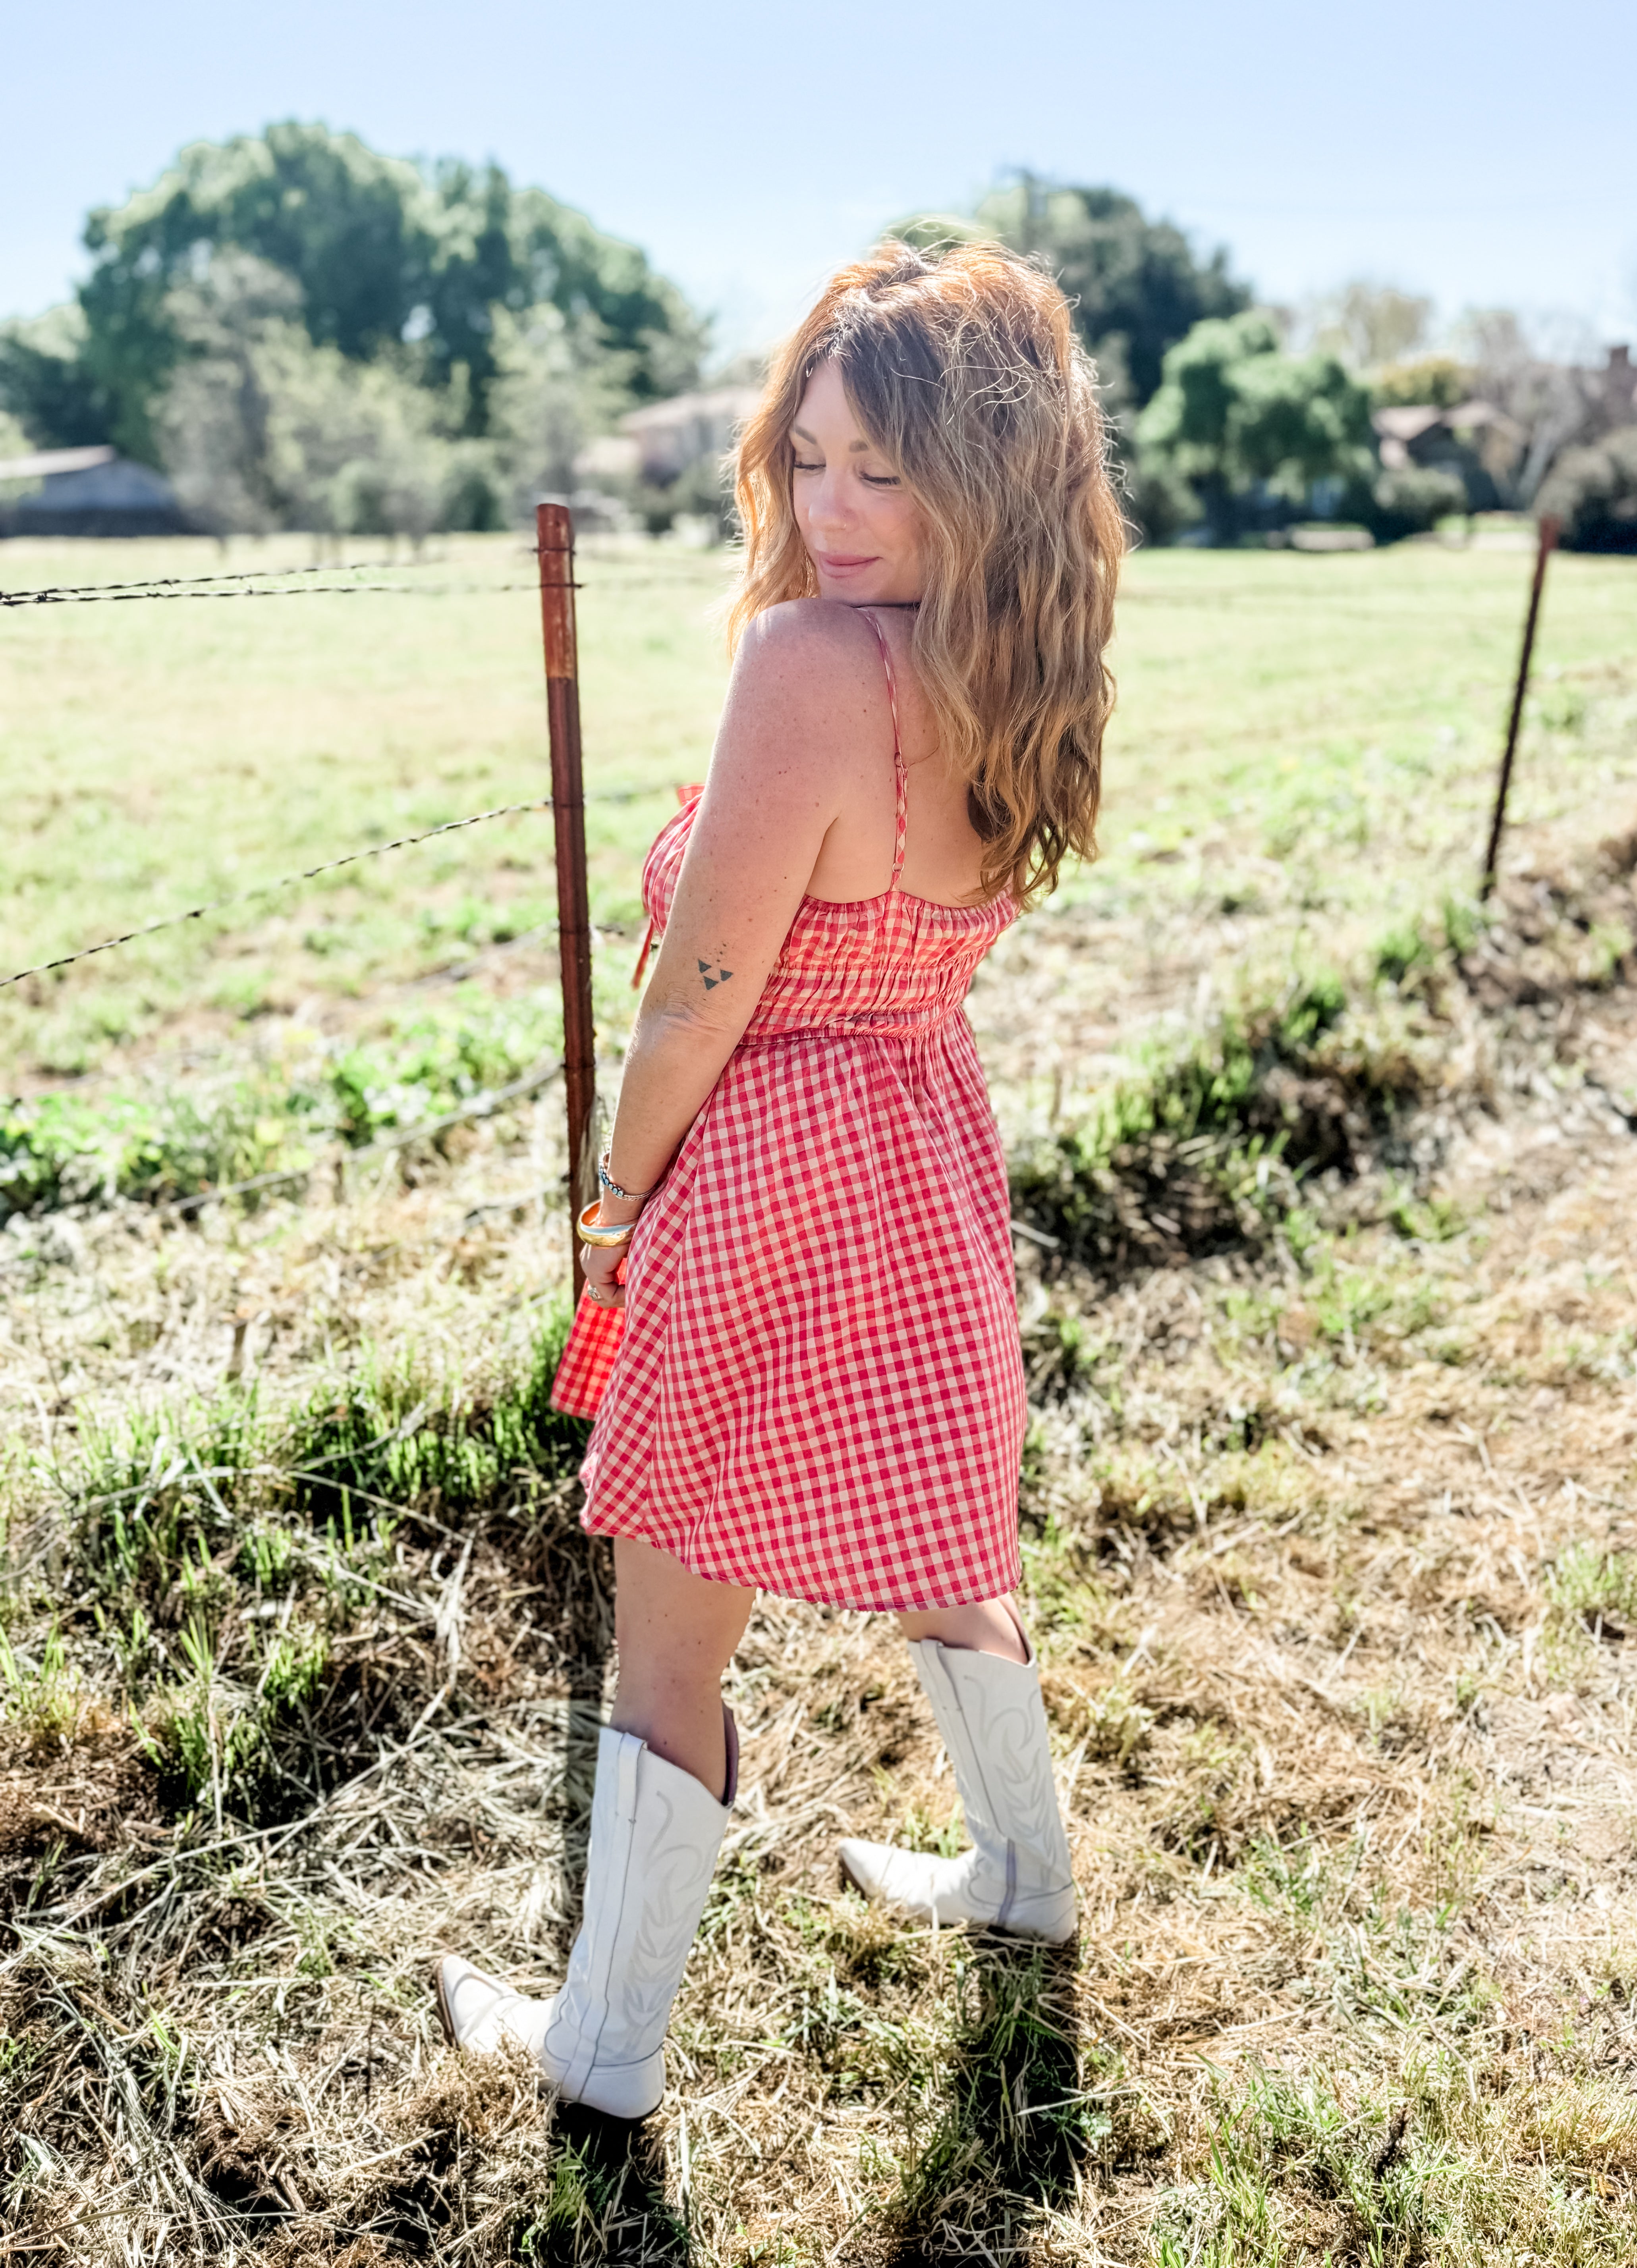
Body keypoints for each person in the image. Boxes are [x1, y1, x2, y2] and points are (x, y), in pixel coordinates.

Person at [437, 239, 1124, 2118]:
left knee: (669, 1628)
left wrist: (614, 1205)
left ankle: (600, 2058)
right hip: (923, 1137)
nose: (828, 506)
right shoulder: (1021, 658)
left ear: (977, 479)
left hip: (759, 1162)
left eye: (880, 474)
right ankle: (1029, 1882)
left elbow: (694, 1004)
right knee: (942, 1534)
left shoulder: (814, 663)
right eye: (808, 455)